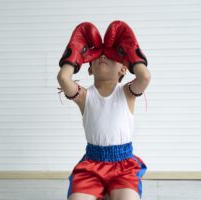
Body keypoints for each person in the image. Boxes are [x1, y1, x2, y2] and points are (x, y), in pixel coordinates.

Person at [57, 20, 151, 200]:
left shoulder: (127, 93)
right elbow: (63, 77)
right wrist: (73, 56)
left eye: (110, 55)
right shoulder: (84, 96)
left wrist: (132, 54)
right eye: (98, 55)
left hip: (123, 167)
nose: (103, 56)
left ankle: (109, 193)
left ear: (124, 67)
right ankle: (103, 192)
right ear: (89, 69)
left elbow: (145, 76)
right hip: (91, 166)